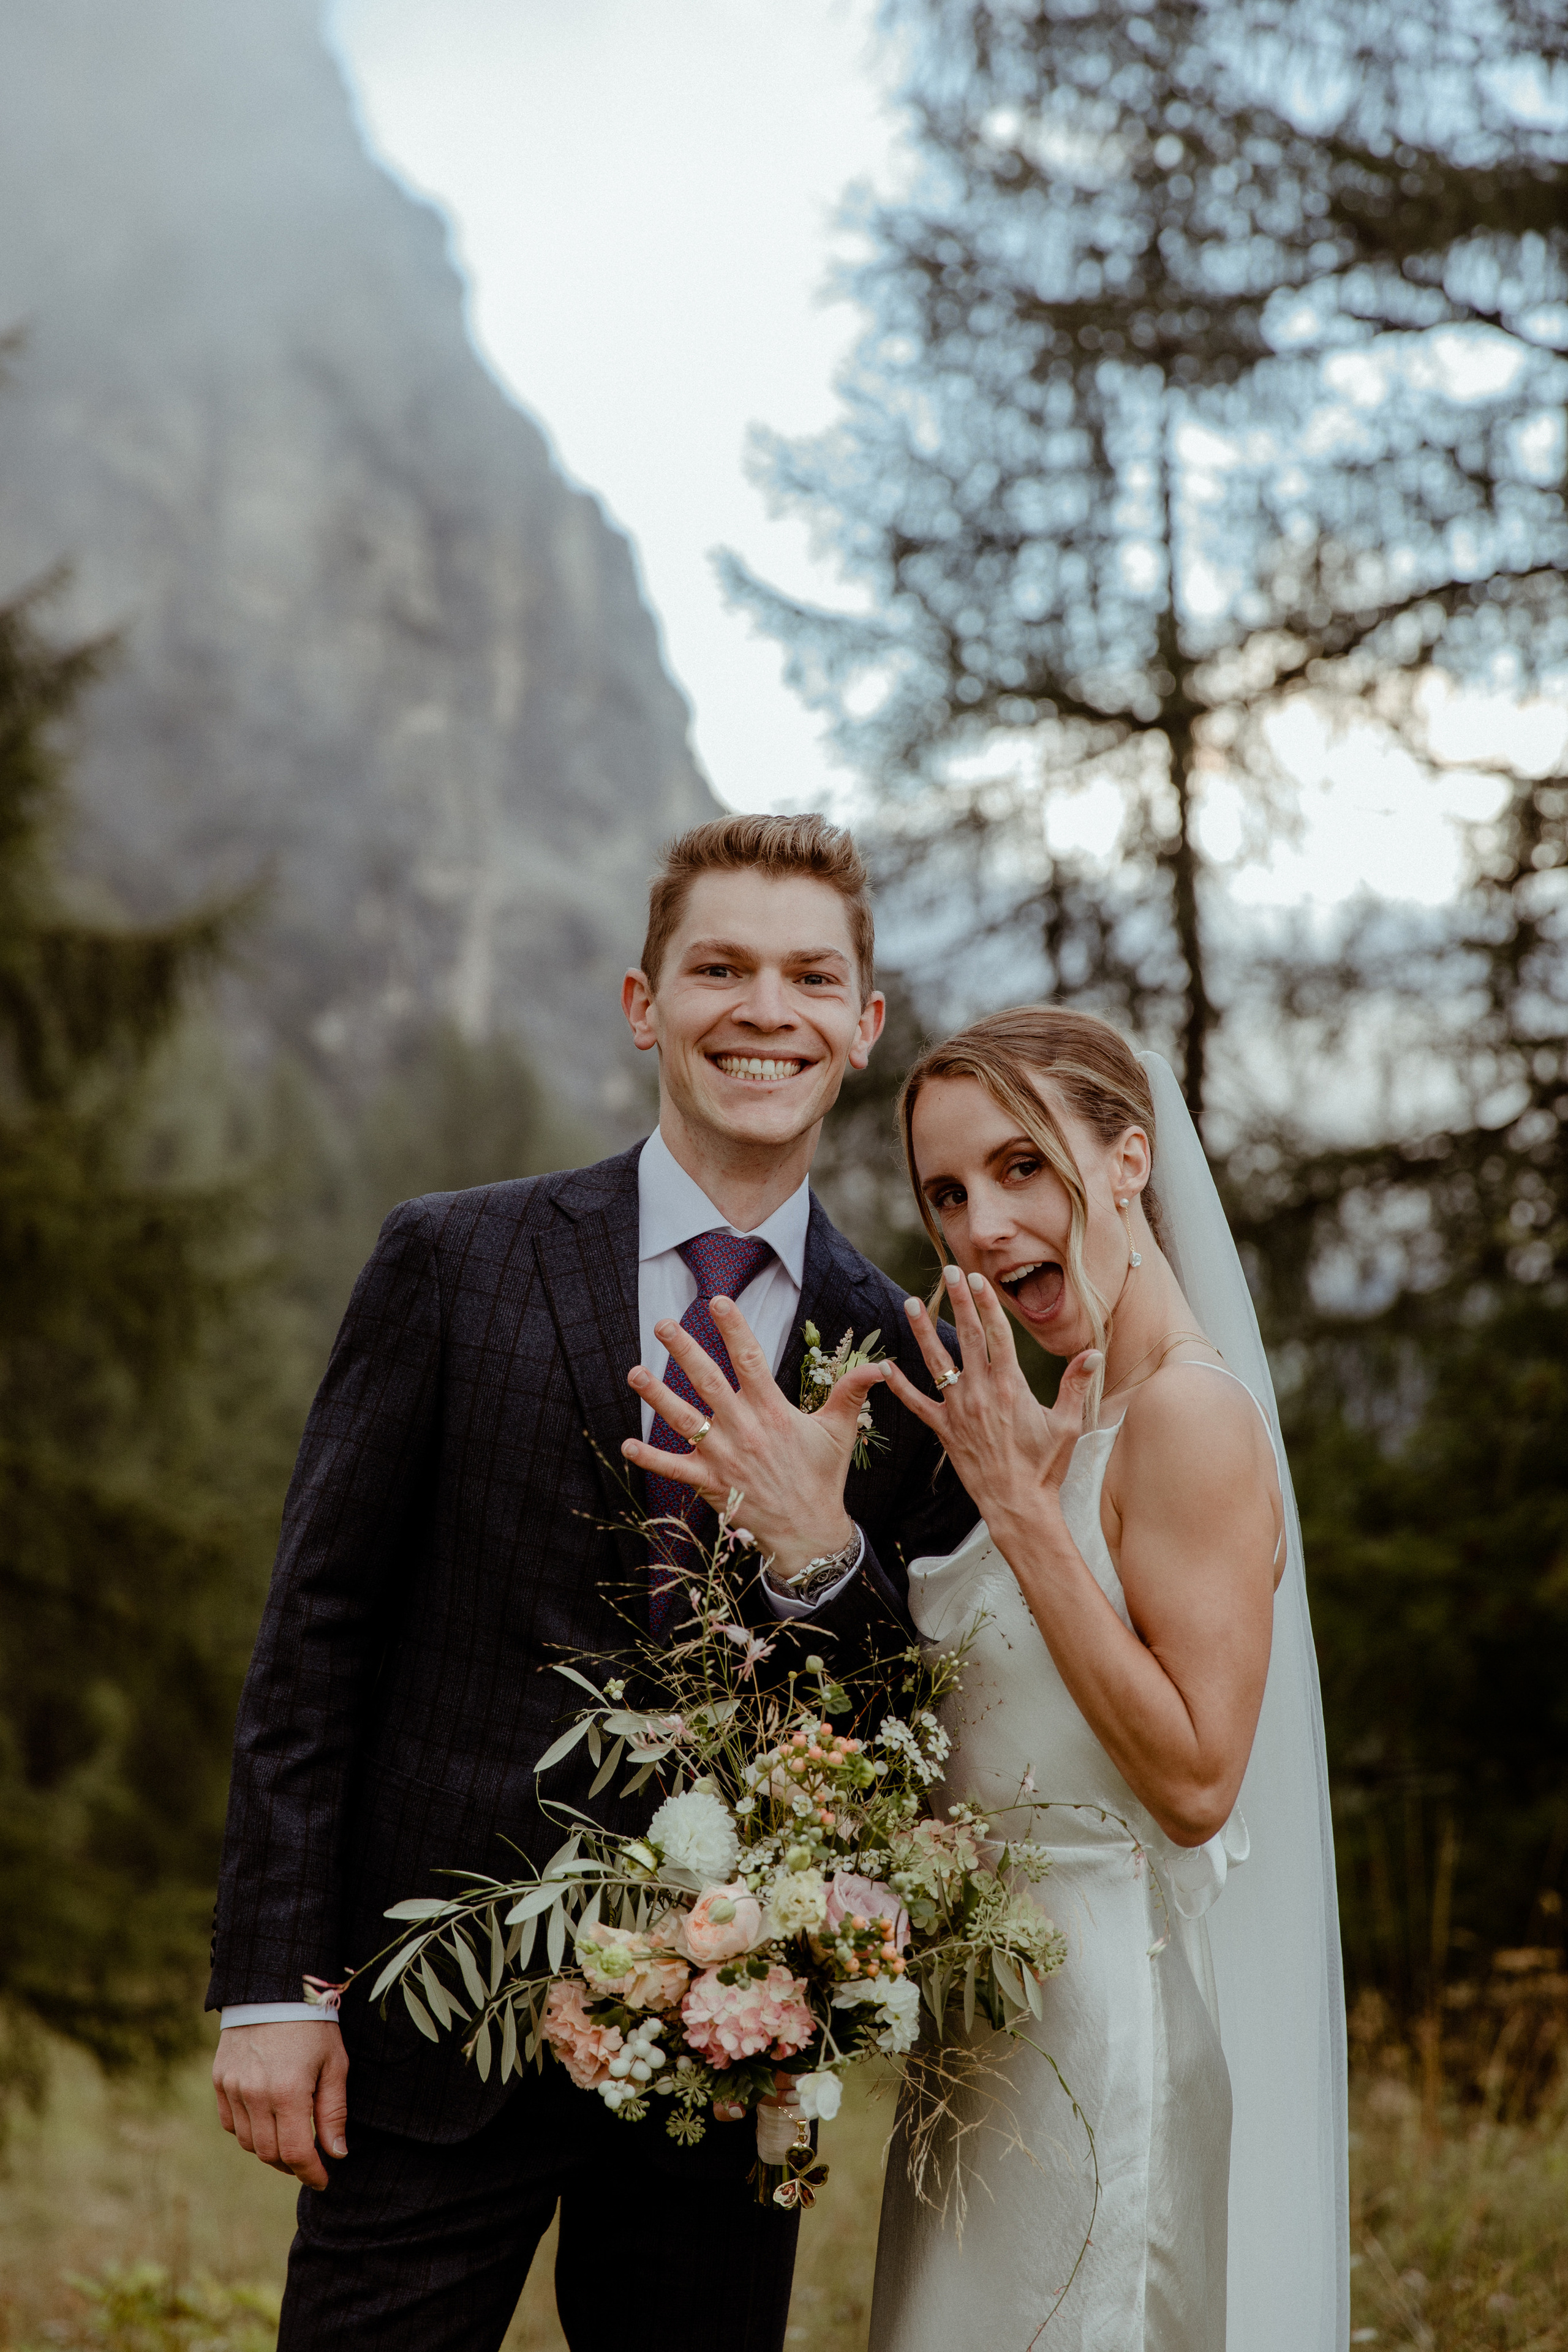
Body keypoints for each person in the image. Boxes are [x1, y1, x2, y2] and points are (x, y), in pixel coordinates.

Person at [206, 813, 977, 2352]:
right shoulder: (453, 1258)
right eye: (721, 968)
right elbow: (317, 1635)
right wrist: (273, 1989)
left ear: (861, 1025)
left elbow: (903, 1711)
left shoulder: (906, 1359)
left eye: (809, 978)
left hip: (722, 2057)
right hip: (428, 2035)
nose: (766, 1010)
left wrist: (818, 1559)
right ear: (645, 1005)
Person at [867, 1007, 1348, 2352]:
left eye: (1022, 1167)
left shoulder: (1187, 1417)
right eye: (947, 1193)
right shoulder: (1066, 1426)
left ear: (1127, 1159)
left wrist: (1019, 1520)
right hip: (983, 2059)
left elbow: (1197, 1780)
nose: (980, 1224)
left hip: (1101, 2045)